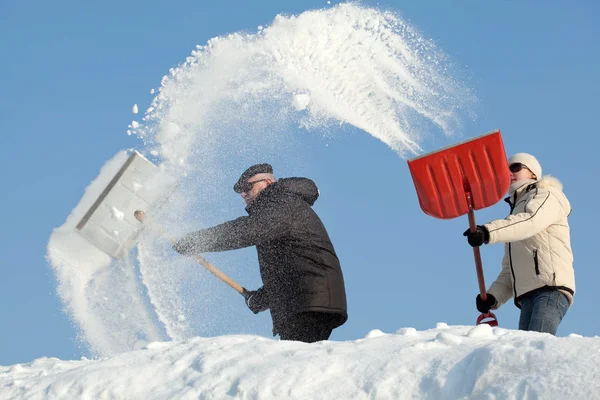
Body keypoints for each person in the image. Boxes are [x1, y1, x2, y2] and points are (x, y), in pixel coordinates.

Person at [172, 163, 348, 343]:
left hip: (309, 301)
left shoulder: (281, 201)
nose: (243, 194)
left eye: (247, 187)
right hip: (305, 300)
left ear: (267, 183)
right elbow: (286, 269)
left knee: (296, 364)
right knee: (296, 362)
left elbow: (248, 230)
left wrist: (197, 241)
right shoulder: (277, 209)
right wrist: (263, 297)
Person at [463, 153, 575, 335]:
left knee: (535, 348)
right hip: (527, 295)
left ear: (532, 173)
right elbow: (510, 268)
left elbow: (531, 220)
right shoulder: (514, 216)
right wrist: (492, 296)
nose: (509, 173)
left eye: (515, 167)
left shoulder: (547, 194)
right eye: (505, 170)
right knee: (525, 349)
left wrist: (487, 232)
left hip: (550, 288)